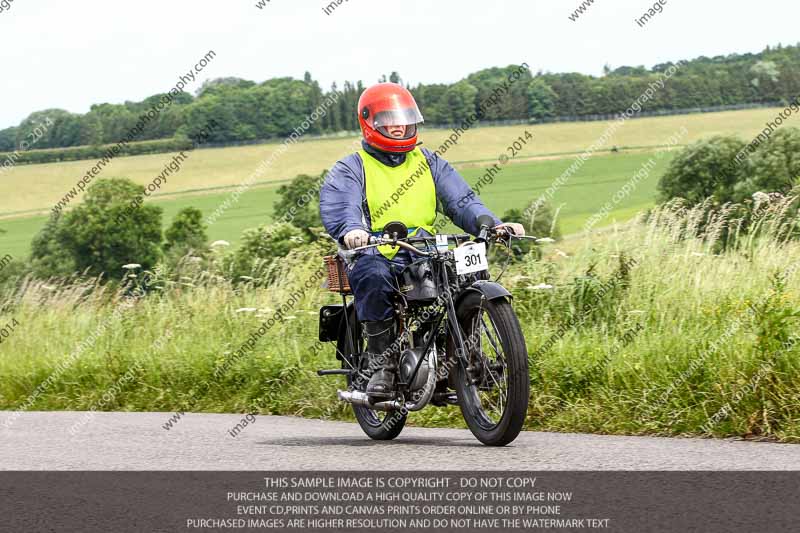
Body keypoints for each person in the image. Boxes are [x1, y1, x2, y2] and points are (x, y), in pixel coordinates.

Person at [319, 82, 523, 400]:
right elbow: (342, 206)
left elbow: (461, 200)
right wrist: (351, 230)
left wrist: (492, 224)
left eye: (404, 118)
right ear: (369, 122)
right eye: (389, 119)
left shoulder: (428, 161)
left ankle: (460, 355)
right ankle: (382, 365)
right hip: (375, 251)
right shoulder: (351, 167)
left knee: (468, 271)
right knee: (373, 274)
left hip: (422, 250)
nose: (399, 126)